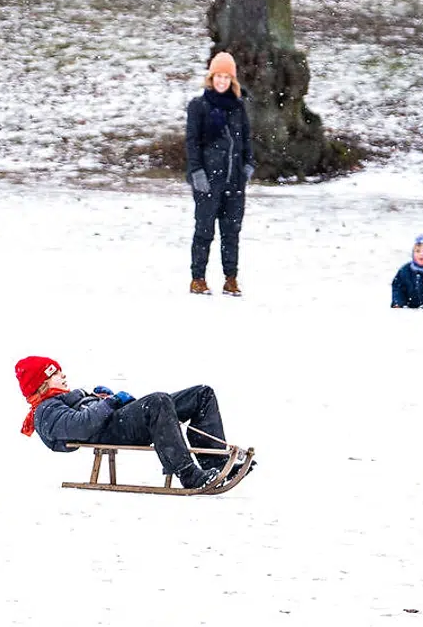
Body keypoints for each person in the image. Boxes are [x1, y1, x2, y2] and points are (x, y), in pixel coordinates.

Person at [15, 355, 232, 490]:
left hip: (117, 422)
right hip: (111, 431)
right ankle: (189, 474)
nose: (63, 376)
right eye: (55, 374)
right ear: (41, 384)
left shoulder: (66, 398)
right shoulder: (45, 411)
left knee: (201, 394)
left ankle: (216, 464)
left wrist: (99, 398)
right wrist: (110, 403)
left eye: (61, 371)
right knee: (158, 401)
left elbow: (85, 413)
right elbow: (80, 426)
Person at [185, 51, 254, 296]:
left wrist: (248, 165)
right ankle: (198, 278)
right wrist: (197, 172)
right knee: (204, 230)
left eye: (227, 77)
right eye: (218, 76)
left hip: (234, 179)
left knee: (231, 231)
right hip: (208, 179)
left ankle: (231, 278)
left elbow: (245, 138)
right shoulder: (199, 106)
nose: (222, 81)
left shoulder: (238, 107)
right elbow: (192, 142)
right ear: (211, 78)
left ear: (232, 80)